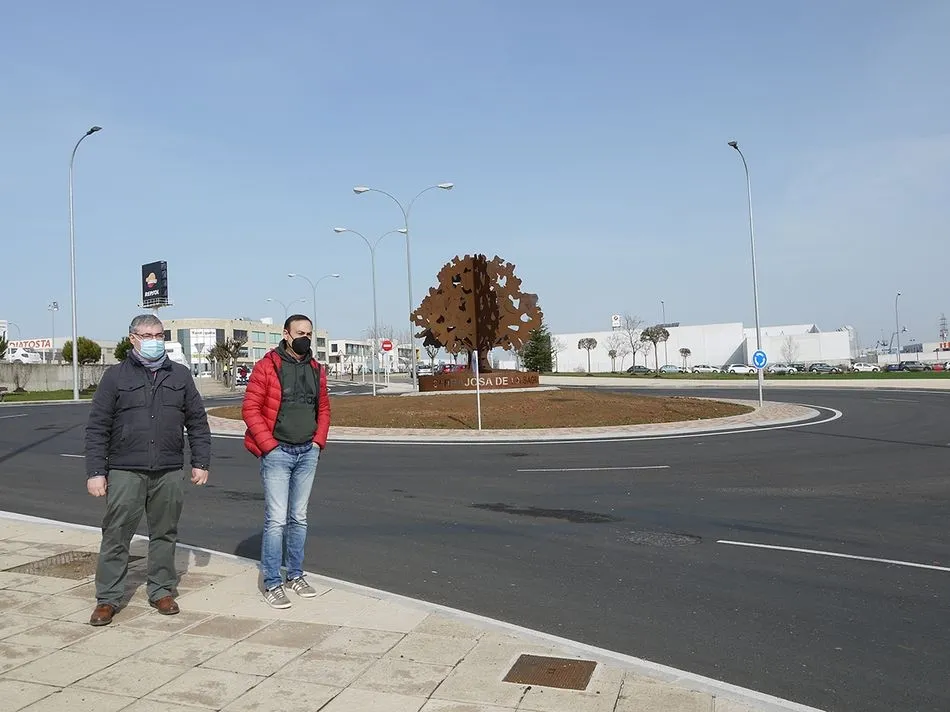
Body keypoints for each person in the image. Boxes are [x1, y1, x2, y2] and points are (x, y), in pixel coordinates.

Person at [84, 314, 211, 626]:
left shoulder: (180, 375)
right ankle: (108, 598)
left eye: (159, 334)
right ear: (132, 339)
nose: (154, 340)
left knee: (165, 533)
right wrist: (95, 471)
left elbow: (196, 422)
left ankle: (161, 590)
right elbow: (97, 427)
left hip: (167, 469)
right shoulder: (115, 377)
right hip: (126, 469)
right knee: (116, 534)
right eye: (147, 335)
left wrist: (201, 462)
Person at [242, 314, 330, 609]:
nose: (305, 337)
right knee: (277, 520)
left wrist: (318, 442)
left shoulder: (317, 369)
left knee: (299, 518)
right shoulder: (266, 367)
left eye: (309, 333)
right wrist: (269, 446)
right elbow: (250, 409)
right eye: (300, 332)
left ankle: (295, 575)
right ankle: (272, 582)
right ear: (286, 334)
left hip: (307, 452)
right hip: (277, 452)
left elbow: (324, 409)